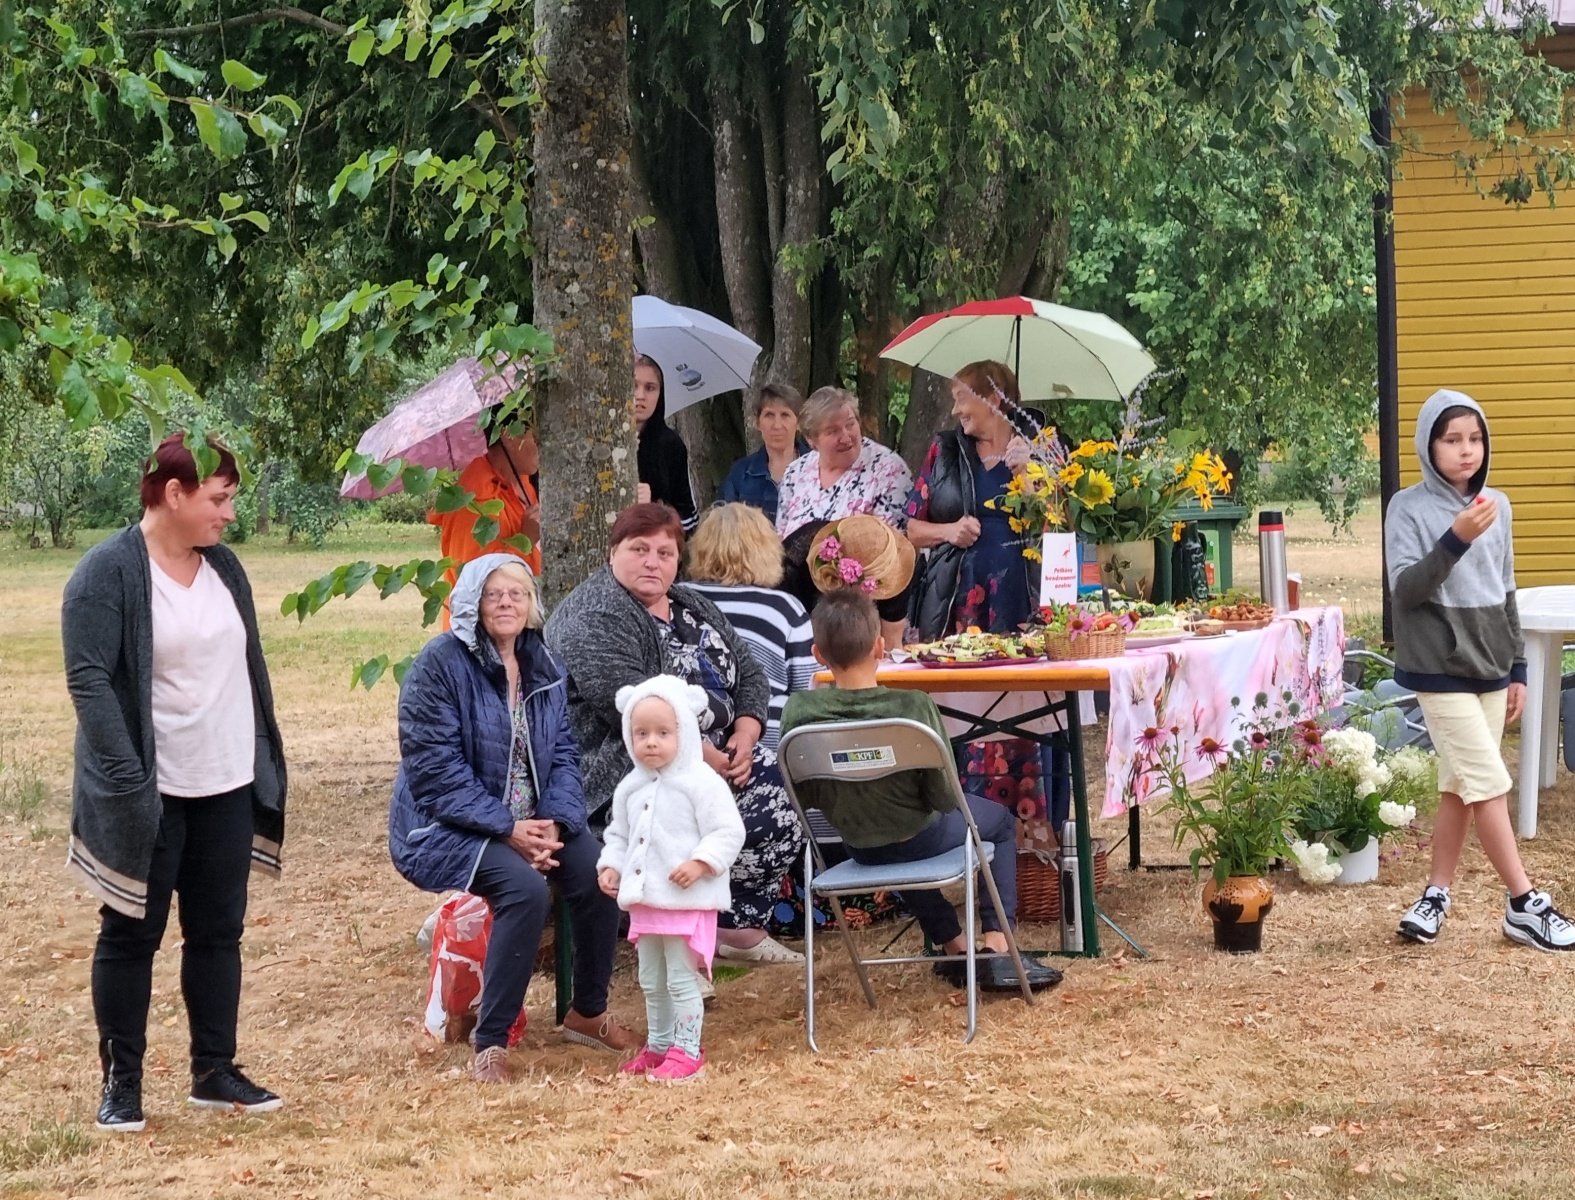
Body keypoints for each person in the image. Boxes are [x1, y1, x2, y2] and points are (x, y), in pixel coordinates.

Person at [62, 433, 289, 1133]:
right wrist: (130, 779)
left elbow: (246, 667)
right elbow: (89, 680)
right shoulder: (107, 572)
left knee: (218, 932)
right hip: (151, 792)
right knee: (132, 933)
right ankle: (121, 1084)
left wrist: (261, 762)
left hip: (226, 780)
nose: (229, 514)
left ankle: (214, 1071)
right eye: (219, 499)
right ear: (173, 493)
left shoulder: (224, 568)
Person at [389, 554, 640, 1083]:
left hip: (533, 821)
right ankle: (491, 1042)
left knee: (600, 873)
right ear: (471, 603)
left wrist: (557, 821)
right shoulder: (439, 664)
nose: (506, 603)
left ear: (531, 603)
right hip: (447, 825)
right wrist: (506, 828)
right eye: (493, 594)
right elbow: (434, 771)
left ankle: (587, 1012)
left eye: (517, 594)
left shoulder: (542, 662)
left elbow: (565, 755)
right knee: (524, 891)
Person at [545, 502, 805, 965]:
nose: (653, 562)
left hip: (715, 751)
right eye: (639, 550)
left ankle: (732, 925)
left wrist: (746, 735)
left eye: (665, 553)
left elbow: (750, 672)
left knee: (790, 777)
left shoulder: (688, 602)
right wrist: (708, 759)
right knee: (728, 798)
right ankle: (686, 934)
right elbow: (636, 711)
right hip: (629, 765)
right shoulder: (595, 616)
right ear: (612, 553)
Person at [779, 590, 1062, 990]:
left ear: (817, 654)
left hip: (858, 844)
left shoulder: (799, 712)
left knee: (894, 835)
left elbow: (802, 796)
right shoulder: (911, 707)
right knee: (998, 823)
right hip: (919, 836)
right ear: (880, 647)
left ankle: (954, 945)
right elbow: (943, 797)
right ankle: (998, 942)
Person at [1389, 390, 1575, 951]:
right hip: (1437, 666)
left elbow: (1506, 586)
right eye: (1452, 439)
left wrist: (1518, 666)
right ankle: (1524, 904)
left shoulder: (1499, 505)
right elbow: (1406, 590)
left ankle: (1435, 894)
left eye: (1475, 438)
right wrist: (1456, 538)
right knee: (1489, 783)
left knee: (1459, 786)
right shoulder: (1407, 507)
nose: (1466, 450)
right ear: (1429, 445)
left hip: (1491, 665)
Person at [903, 359, 1070, 830]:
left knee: (1029, 710)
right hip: (961, 609)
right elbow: (910, 527)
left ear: (994, 397)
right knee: (967, 712)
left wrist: (1033, 475)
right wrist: (948, 530)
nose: (956, 410)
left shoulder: (1042, 443)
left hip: (1024, 602)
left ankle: (1034, 834)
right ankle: (968, 829)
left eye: (962, 398)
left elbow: (1064, 522)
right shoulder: (944, 451)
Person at [598, 676, 747, 1082]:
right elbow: (620, 835)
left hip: (687, 901)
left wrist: (701, 863)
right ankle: (660, 1044)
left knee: (681, 979)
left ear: (684, 731)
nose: (651, 742)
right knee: (651, 979)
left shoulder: (702, 782)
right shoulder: (630, 787)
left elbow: (728, 831)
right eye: (641, 733)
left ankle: (687, 1050)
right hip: (648, 902)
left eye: (663, 733)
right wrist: (611, 866)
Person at [775, 386, 913, 646]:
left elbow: (891, 554)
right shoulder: (795, 473)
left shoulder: (888, 469)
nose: (846, 436)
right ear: (811, 440)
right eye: (832, 431)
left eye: (850, 424)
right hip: (798, 608)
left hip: (862, 614)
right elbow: (782, 538)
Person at [684, 503, 817, 752]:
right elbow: (808, 689)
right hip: (767, 740)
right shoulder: (785, 608)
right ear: (766, 550)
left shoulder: (677, 598)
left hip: (689, 736)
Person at [429, 423, 542, 628]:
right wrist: (525, 540)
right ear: (508, 434)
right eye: (536, 435)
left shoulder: (524, 481)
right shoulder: (473, 500)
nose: (543, 443)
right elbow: (478, 589)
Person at [718, 383, 807, 526]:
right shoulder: (740, 474)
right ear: (757, 423)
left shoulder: (818, 468)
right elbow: (722, 525)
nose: (777, 425)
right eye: (769, 415)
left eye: (785, 415)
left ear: (798, 423)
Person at [634, 355, 699, 533]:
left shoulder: (670, 445)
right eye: (633, 386)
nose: (640, 396)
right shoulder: (596, 442)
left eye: (650, 388)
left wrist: (654, 508)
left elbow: (689, 520)